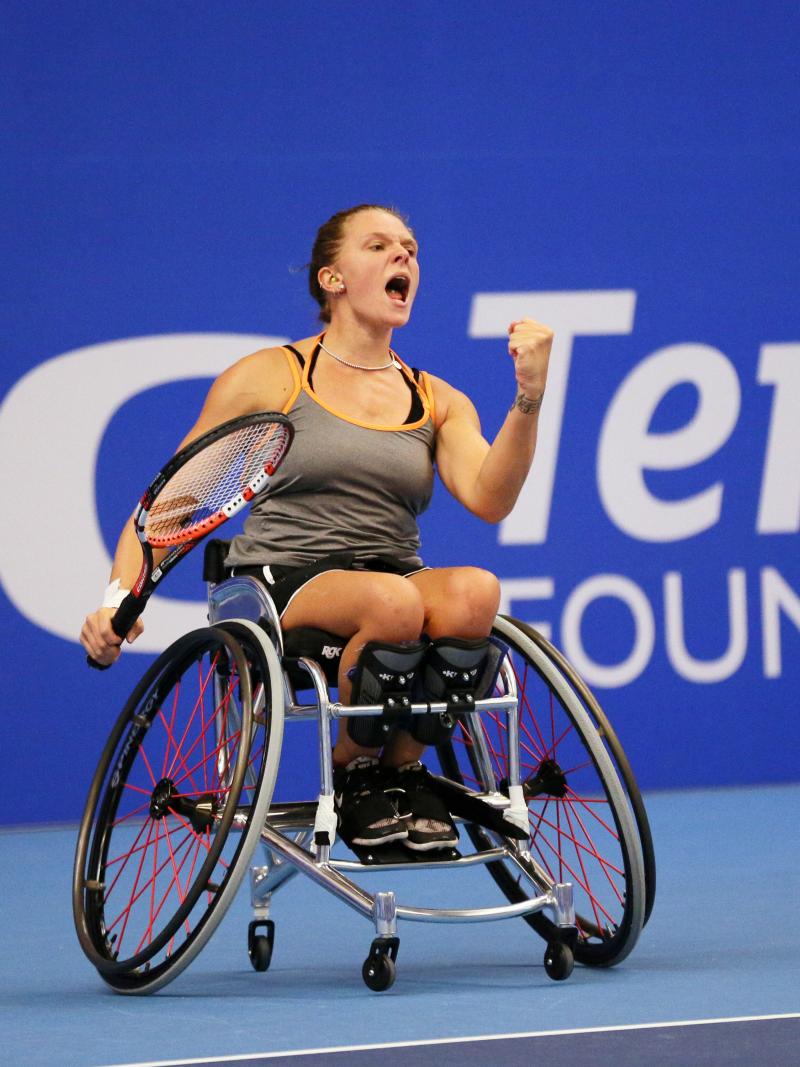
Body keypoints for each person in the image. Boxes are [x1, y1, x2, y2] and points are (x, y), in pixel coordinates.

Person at [80, 204, 553, 855]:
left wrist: (528, 398)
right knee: (394, 603)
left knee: (475, 591)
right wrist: (116, 600)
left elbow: (490, 497)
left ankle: (401, 769)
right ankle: (354, 774)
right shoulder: (272, 375)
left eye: (411, 248)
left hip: (393, 575)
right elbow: (168, 504)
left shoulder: (436, 398)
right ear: (332, 278)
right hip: (280, 581)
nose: (403, 258)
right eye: (380, 245)